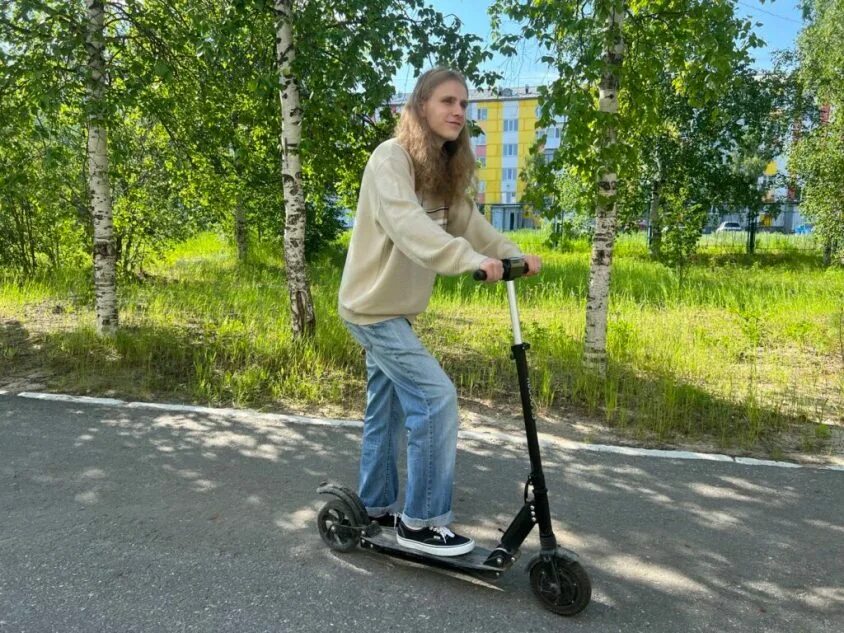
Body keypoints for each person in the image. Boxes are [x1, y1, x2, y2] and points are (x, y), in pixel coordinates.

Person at [338, 67, 541, 557]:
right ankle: (422, 523)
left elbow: (473, 226)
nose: (457, 112)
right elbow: (411, 228)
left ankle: (376, 504)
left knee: (384, 413)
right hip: (370, 309)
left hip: (397, 312)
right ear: (421, 106)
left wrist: (513, 255)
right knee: (435, 397)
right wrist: (470, 261)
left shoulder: (442, 172)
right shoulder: (392, 160)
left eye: (464, 105)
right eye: (447, 101)